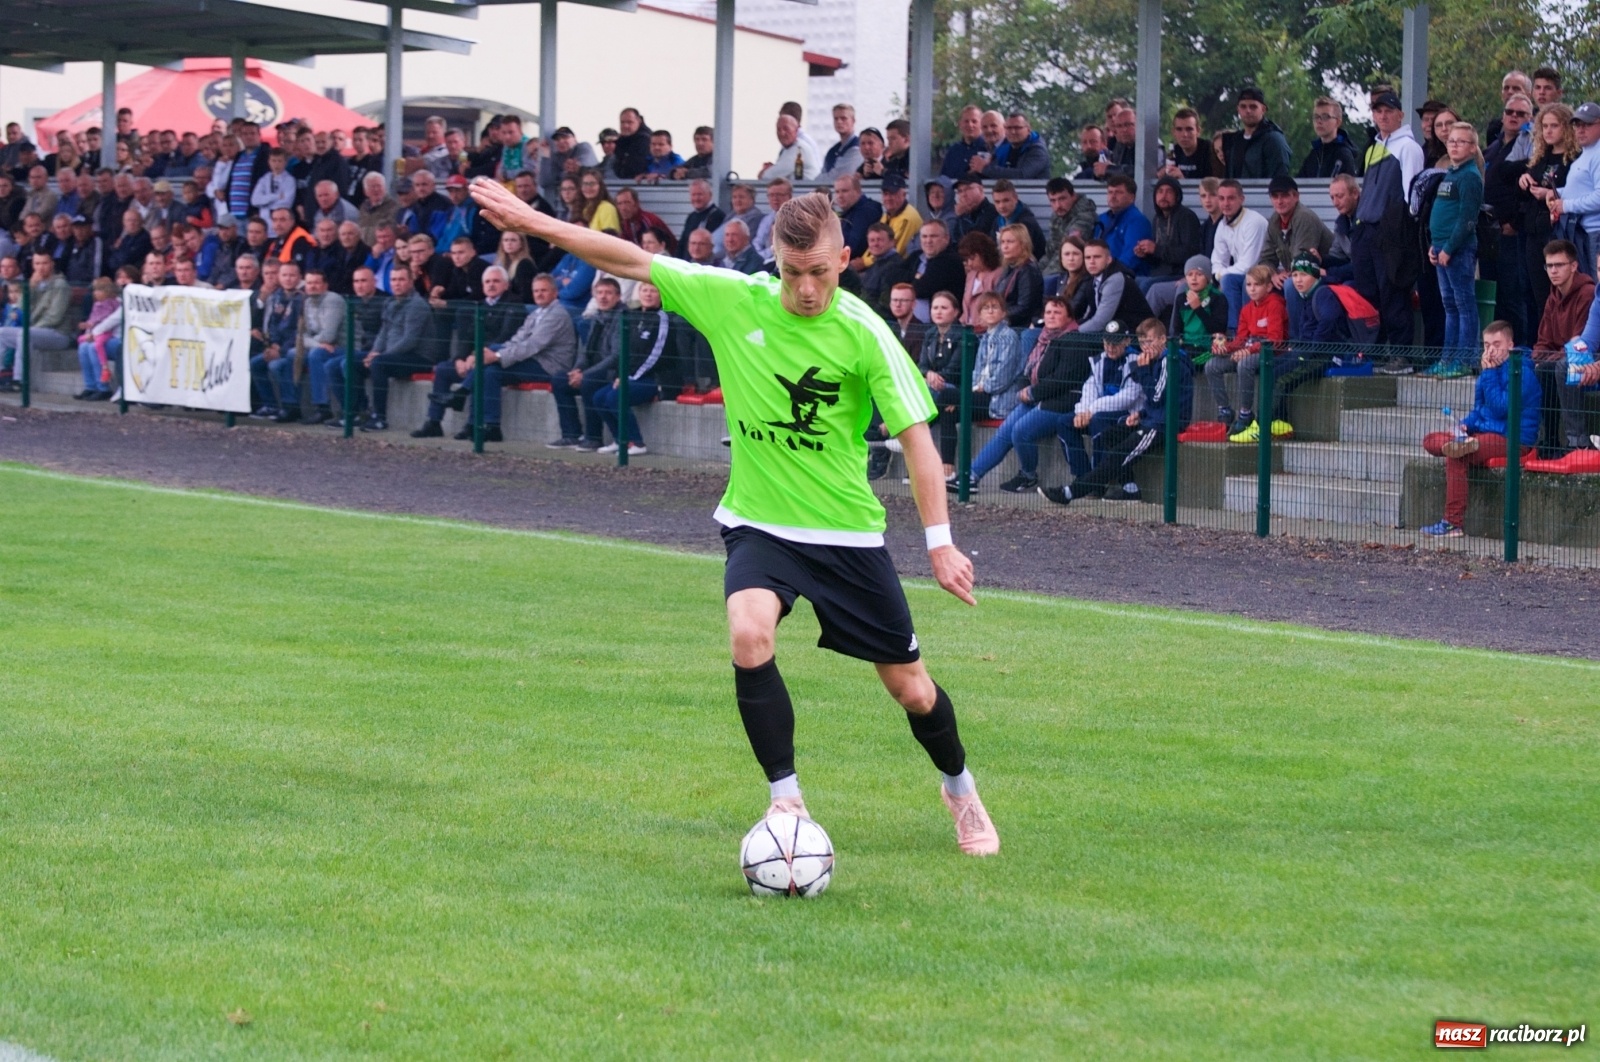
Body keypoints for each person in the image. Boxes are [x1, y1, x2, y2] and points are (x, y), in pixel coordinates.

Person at [470, 176, 998, 855]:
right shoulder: (731, 299)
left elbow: (920, 444)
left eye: (819, 273)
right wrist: (534, 221)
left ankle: (960, 789)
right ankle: (787, 803)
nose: (807, 288)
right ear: (775, 260)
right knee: (749, 635)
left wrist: (939, 543)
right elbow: (626, 256)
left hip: (845, 534)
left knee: (912, 690)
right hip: (760, 523)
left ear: (843, 260)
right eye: (793, 272)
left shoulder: (865, 333)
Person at [1040, 317, 1191, 504]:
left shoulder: (1168, 361)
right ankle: (1130, 489)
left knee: (1119, 454)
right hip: (1151, 418)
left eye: (1150, 342)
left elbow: (1156, 397)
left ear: (1162, 340)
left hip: (1163, 424)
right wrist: (1141, 414)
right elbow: (1158, 400)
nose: (1146, 347)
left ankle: (1071, 492)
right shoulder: (1151, 361)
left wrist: (1143, 372)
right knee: (1109, 437)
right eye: (1143, 342)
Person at [1420, 321, 1541, 537]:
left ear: (1510, 345)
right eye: (1486, 345)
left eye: (1497, 344)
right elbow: (1480, 409)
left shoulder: (1521, 372)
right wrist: (1465, 425)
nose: (1490, 350)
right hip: (1485, 433)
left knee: (1457, 457)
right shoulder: (1490, 372)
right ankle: (1456, 443)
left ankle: (1452, 523)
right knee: (1431, 439)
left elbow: (1501, 407)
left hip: (1512, 438)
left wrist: (1489, 374)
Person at [954, 296, 1086, 493]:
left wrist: (1032, 392)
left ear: (1069, 317)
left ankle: (1028, 476)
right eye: (1048, 312)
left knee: (1020, 431)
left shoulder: (1074, 340)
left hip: (1060, 402)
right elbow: (1027, 370)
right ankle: (971, 477)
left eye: (1057, 312)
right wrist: (1025, 388)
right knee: (1004, 432)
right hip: (1036, 398)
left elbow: (1061, 380)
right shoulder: (1042, 338)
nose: (1051, 316)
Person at [1355, 90, 1425, 356]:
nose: (1382, 116)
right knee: (1368, 295)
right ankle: (1373, 350)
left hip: (1391, 231)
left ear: (1400, 115)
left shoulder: (1408, 147)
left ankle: (1400, 354)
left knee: (1393, 294)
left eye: (1388, 111)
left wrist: (1401, 230)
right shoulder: (1373, 147)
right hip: (1366, 228)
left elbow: (1412, 195)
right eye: (1378, 111)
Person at [1424, 123, 1486, 378]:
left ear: (1472, 148)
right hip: (1441, 247)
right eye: (1451, 141)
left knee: (1464, 304)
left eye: (1461, 142)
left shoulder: (1470, 176)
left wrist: (1449, 248)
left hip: (1457, 249)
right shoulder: (1450, 172)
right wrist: (1434, 246)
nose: (1455, 145)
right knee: (1449, 305)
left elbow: (1467, 219)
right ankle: (1447, 358)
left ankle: (1464, 360)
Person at [351, 266, 437, 432]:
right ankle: (358, 412)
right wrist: (373, 353)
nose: (396, 284)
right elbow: (383, 332)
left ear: (411, 282)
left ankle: (380, 418)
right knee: (352, 361)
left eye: (401, 279)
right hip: (392, 355)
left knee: (379, 363)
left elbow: (409, 341)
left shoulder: (417, 305)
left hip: (418, 357)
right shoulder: (390, 302)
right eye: (393, 280)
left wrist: (380, 356)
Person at [1531, 239, 1595, 456]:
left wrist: (1551, 357)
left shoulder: (1588, 294)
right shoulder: (1553, 296)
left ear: (1574, 266)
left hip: (1586, 356)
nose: (1553, 271)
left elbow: (1582, 343)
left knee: (1563, 365)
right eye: (1549, 266)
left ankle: (1577, 440)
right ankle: (1547, 440)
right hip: (1560, 356)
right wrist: (1540, 357)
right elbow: (1542, 340)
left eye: (1559, 265)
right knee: (1536, 367)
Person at [1206, 264, 1281, 431]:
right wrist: (1225, 347)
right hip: (1248, 352)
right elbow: (1241, 339)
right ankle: (1224, 410)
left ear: (1268, 287)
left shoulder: (1275, 304)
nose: (1252, 289)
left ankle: (1246, 413)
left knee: (1244, 364)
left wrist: (1248, 351)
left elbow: (1275, 340)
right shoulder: (1246, 309)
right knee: (1212, 365)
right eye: (1249, 285)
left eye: (1257, 285)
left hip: (1270, 354)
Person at [0, 252, 73, 392]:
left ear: (52, 264)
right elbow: (20, 308)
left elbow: (54, 317)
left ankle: (19, 380)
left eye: (44, 263)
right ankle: (3, 373)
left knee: (24, 334)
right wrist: (31, 287)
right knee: (1, 332)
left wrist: (30, 327)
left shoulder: (60, 285)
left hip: (58, 334)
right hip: (35, 331)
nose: (41, 268)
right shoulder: (34, 283)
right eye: (37, 264)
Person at [1210, 179, 1268, 331]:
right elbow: (1217, 259)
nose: (1226, 203)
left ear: (1242, 199)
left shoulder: (1253, 221)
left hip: (1265, 273)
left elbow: (1248, 265)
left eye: (1231, 198)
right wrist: (1217, 274)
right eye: (1221, 198)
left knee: (1233, 281)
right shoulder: (1223, 224)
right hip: (1241, 274)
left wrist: (1220, 275)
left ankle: (1237, 332)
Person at [1135, 176, 1203, 295]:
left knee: (1147, 285)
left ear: (1177, 196)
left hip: (1180, 274)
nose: (1164, 195)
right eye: (1160, 191)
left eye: (1169, 191)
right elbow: (1159, 257)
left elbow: (1189, 253)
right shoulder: (1157, 219)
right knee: (1134, 282)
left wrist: (1156, 249)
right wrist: (1146, 254)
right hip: (1160, 273)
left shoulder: (1186, 217)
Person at [1224, 87, 1292, 179]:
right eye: (1243, 106)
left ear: (1263, 109)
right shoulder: (1234, 141)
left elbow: (1280, 175)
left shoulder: (1274, 139)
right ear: (1238, 109)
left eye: (1253, 106)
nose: (1248, 111)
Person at [1092, 175, 1152, 277]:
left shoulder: (1137, 221)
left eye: (1119, 192)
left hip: (1126, 278)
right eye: (1110, 192)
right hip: (1099, 274)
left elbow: (1130, 258)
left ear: (1132, 198)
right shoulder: (1101, 219)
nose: (1113, 196)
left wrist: (1105, 273)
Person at [910, 219, 963, 322]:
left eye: (933, 236)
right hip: (916, 324)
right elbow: (893, 276)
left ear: (946, 238)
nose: (928, 241)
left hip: (939, 324)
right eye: (924, 236)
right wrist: (916, 277)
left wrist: (913, 280)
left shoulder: (949, 260)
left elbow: (921, 290)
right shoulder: (915, 256)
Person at [1042, 178, 1096, 278]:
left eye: (1062, 199)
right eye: (1053, 201)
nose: (1058, 205)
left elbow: (1069, 250)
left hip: (1077, 272)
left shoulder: (1085, 216)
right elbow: (1051, 252)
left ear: (1073, 196)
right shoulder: (1057, 216)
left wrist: (1042, 278)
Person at [994, 223, 1042, 328]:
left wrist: (1000, 315)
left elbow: (1025, 307)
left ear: (1023, 244)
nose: (1005, 246)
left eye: (1010, 242)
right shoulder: (1008, 267)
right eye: (1002, 242)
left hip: (1020, 328)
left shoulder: (1028, 270)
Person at [981, 114, 1049, 180]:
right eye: (1009, 128)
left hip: (1034, 191)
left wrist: (985, 168)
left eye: (1017, 128)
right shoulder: (1003, 149)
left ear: (1028, 129)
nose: (1013, 132)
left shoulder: (1037, 150)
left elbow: (1022, 175)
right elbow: (993, 172)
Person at [957, 231, 1003, 326]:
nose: (969, 263)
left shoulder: (998, 274)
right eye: (967, 259)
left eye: (973, 258)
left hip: (985, 328)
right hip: (967, 326)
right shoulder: (971, 275)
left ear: (984, 254)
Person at [759, 114, 822, 182]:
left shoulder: (799, 148)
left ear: (796, 130)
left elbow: (768, 176)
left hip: (807, 190)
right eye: (778, 129)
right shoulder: (787, 149)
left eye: (786, 129)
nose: (782, 133)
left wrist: (765, 171)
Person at [1159, 108, 1214, 180]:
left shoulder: (1210, 150)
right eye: (1179, 129)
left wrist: (1183, 180)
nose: (1184, 134)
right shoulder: (1174, 151)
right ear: (1173, 132)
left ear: (1198, 131)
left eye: (1189, 129)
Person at [820, 104, 863, 182]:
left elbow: (840, 176)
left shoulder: (858, 148)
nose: (839, 122)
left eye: (844, 118)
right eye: (836, 119)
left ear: (853, 121)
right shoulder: (832, 150)